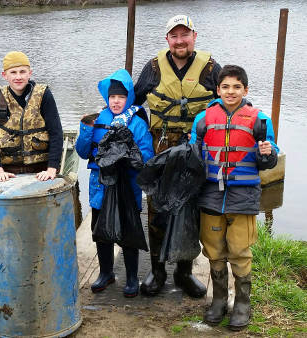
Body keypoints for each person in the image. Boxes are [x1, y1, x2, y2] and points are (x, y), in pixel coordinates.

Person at [133, 14, 222, 298]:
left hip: (197, 148)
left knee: (191, 207)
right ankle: (158, 270)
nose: (180, 40)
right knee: (157, 208)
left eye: (185, 34)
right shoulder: (153, 67)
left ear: (194, 37)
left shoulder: (210, 68)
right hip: (161, 147)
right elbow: (133, 102)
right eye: (175, 35)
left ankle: (184, 272)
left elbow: (228, 101)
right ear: (167, 39)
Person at [190, 65, 278, 330]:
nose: (231, 92)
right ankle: (218, 300)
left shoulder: (259, 119)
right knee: (214, 251)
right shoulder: (203, 119)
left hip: (244, 196)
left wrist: (266, 152)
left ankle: (242, 303)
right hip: (210, 196)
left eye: (237, 87)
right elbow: (193, 157)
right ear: (218, 89)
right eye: (226, 87)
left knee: (240, 251)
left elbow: (269, 160)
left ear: (245, 90)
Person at [75, 69, 154, 297]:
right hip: (101, 186)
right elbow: (82, 152)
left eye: (120, 97)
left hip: (127, 188)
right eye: (112, 97)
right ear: (107, 98)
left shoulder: (137, 123)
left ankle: (131, 278)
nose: (116, 101)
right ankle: (106, 273)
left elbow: (146, 158)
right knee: (100, 232)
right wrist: (86, 130)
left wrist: (125, 156)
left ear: (128, 97)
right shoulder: (98, 119)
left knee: (129, 234)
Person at [0, 51, 63, 182]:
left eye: (22, 72)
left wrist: (52, 169)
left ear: (29, 73)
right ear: (4, 75)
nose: (18, 77)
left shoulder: (44, 95)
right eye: (13, 72)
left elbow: (56, 133)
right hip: (8, 172)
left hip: (41, 170)